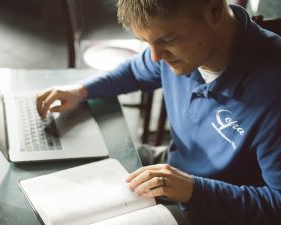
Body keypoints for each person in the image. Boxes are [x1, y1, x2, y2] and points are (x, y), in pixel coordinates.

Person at [36, 0, 281, 224]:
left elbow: (277, 205)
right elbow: (134, 71)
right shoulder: (181, 53)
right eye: (146, 43)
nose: (155, 57)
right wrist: (81, 91)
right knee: (65, 176)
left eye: (167, 40)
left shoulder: (273, 90)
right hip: (174, 168)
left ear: (215, 11)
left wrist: (193, 189)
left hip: (220, 208)